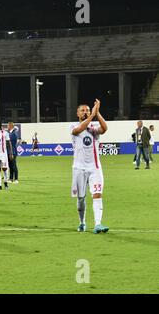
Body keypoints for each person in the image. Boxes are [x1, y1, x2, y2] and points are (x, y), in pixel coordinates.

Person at [71, 99, 109, 234]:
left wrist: (97, 113)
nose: (85, 112)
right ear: (77, 113)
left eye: (87, 110)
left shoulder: (93, 129)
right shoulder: (73, 127)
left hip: (95, 168)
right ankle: (82, 222)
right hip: (78, 168)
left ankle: (98, 224)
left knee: (97, 194)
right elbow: (79, 130)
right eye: (83, 110)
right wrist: (92, 115)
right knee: (81, 198)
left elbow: (104, 128)